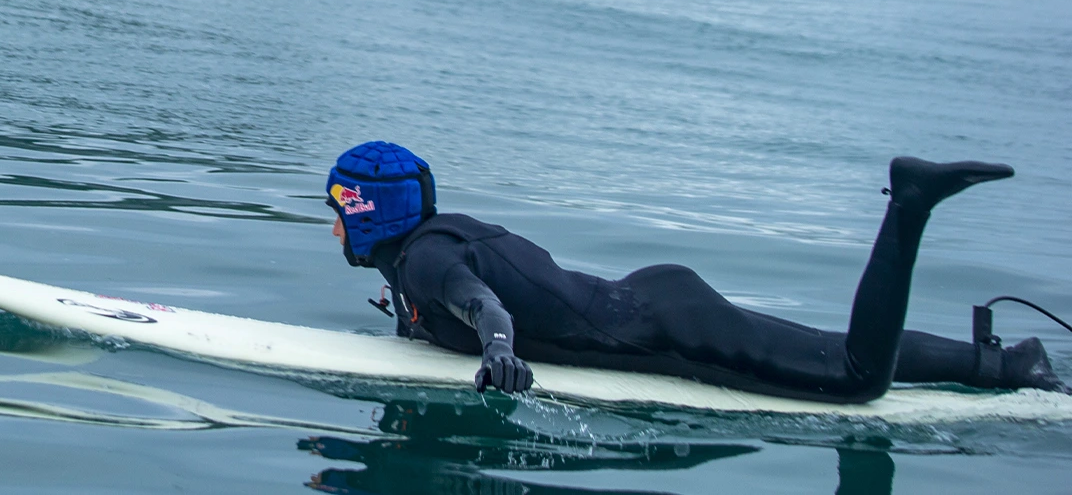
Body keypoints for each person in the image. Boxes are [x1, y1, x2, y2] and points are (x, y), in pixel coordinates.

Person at [324, 140, 1067, 400]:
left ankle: (909, 205)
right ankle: (1009, 365)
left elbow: (483, 303)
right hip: (650, 298)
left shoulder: (424, 263)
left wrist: (497, 350)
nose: (333, 225)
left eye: (340, 209)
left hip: (665, 330)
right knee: (815, 343)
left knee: (853, 376)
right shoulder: (428, 245)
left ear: (368, 213)